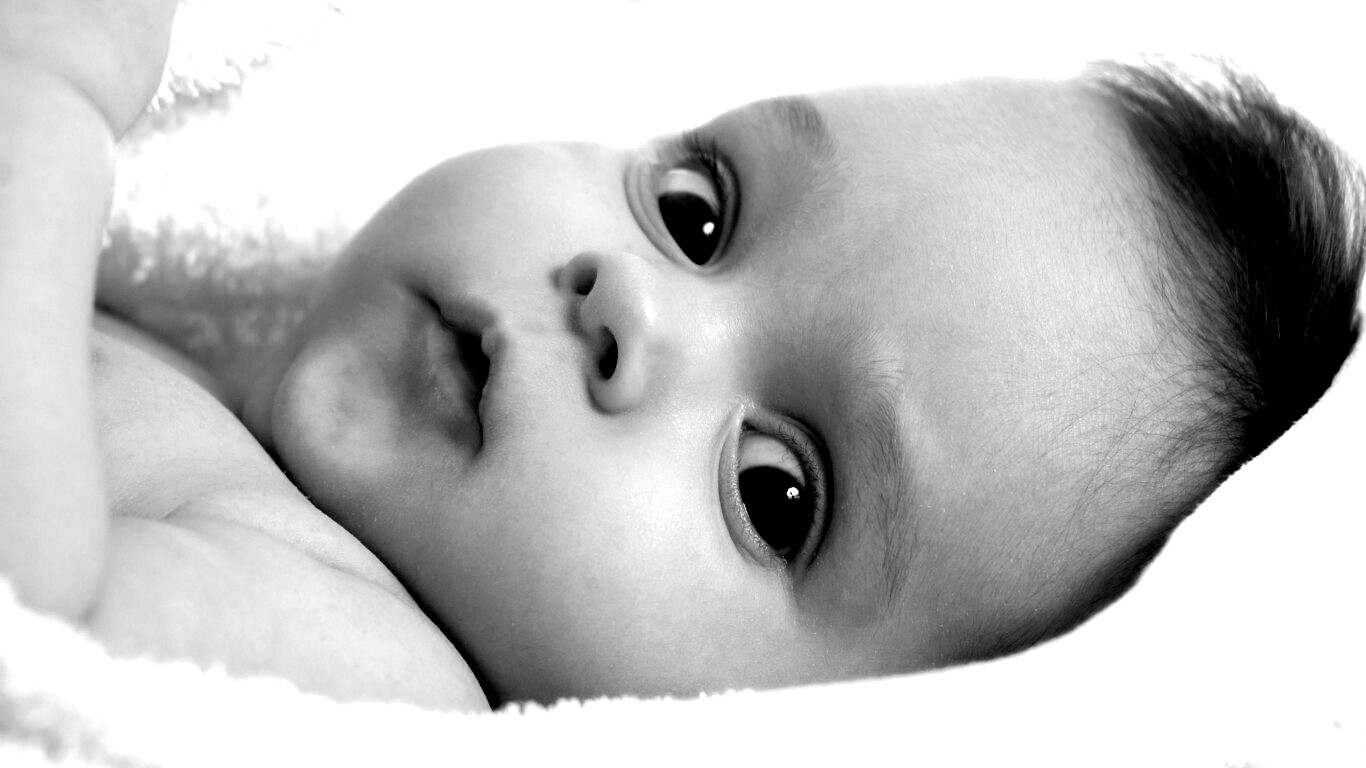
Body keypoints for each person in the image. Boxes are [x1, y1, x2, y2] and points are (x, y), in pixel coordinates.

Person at [2, 1, 1360, 711]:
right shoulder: (195, 394)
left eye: (777, 490)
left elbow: (40, 625)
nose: (628, 310)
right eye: (696, 213)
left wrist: (48, 91)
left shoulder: (368, 656)